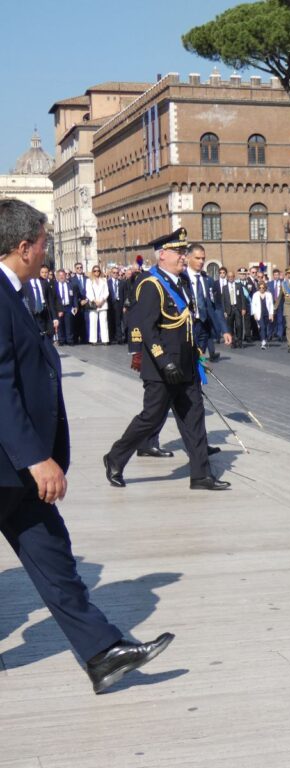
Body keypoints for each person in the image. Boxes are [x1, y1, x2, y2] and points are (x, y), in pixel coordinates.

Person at [0, 200, 174, 693]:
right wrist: (35, 457)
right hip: (10, 462)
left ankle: (102, 652)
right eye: (44, 241)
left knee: (52, 555)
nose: (48, 250)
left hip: (15, 467)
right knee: (50, 552)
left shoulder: (15, 292)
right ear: (24, 246)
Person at [103, 228, 230, 491]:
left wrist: (196, 357)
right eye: (179, 252)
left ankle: (201, 474)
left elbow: (187, 325)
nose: (184, 257)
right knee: (151, 418)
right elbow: (147, 329)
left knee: (194, 418)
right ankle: (115, 457)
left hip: (185, 365)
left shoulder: (180, 283)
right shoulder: (150, 285)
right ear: (162, 256)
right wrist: (164, 362)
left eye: (184, 252)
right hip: (162, 368)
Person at [183, 244, 227, 361]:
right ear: (188, 258)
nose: (201, 261)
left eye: (203, 258)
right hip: (189, 326)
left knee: (199, 360)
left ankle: (198, 378)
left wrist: (225, 330)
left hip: (204, 326)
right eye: (197, 258)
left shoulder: (208, 280)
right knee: (188, 361)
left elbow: (216, 306)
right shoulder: (182, 278)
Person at [85, 265, 109, 344]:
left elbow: (106, 292)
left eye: (98, 271)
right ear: (92, 272)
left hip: (103, 303)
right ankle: (93, 340)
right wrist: (95, 301)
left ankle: (105, 339)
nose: (96, 272)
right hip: (93, 304)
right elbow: (88, 293)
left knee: (104, 322)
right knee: (93, 322)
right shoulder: (89, 281)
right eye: (95, 271)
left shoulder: (104, 280)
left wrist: (102, 301)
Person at [250, 281, 274, 349]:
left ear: (265, 288)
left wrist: (271, 314)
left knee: (265, 327)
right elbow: (253, 305)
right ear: (258, 288)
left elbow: (271, 305)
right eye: (260, 288)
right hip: (259, 314)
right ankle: (263, 342)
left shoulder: (269, 294)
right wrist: (254, 313)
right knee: (262, 326)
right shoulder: (255, 295)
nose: (261, 289)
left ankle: (264, 338)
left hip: (267, 313)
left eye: (263, 288)